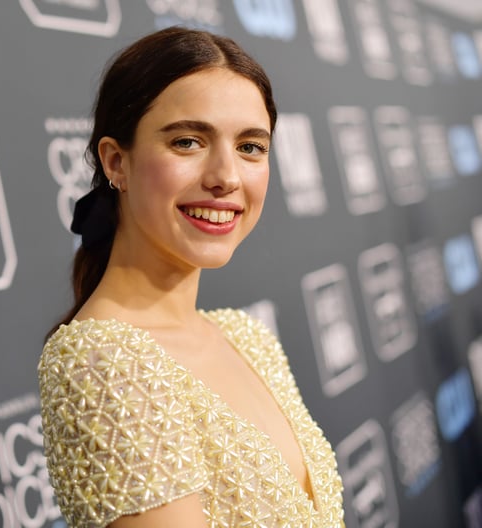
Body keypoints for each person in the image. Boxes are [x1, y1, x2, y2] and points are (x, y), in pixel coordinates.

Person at [38, 27, 345, 527]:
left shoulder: (248, 337)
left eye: (251, 147)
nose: (226, 175)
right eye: (188, 141)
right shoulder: (100, 361)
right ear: (116, 161)